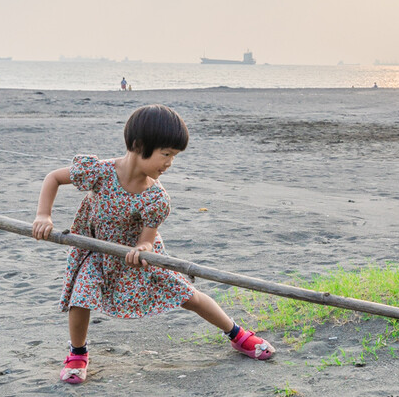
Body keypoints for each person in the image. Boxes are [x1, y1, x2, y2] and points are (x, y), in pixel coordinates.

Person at [31, 104, 275, 384]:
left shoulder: (156, 198)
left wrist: (143, 250)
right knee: (81, 295)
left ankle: (237, 334)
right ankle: (77, 354)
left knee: (187, 295)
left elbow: (146, 241)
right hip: (96, 249)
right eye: (166, 154)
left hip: (138, 254)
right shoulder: (100, 171)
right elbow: (53, 178)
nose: (170, 163)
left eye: (174, 156)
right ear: (138, 145)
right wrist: (43, 216)